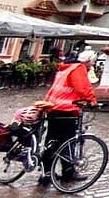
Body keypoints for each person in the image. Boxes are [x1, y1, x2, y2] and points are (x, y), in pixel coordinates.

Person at [39, 48, 98, 185]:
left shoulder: (65, 67)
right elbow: (82, 88)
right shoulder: (78, 69)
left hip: (52, 107)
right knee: (68, 141)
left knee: (52, 141)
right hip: (67, 109)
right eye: (92, 63)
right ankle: (68, 172)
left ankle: (46, 172)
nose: (92, 66)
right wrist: (92, 101)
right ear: (88, 61)